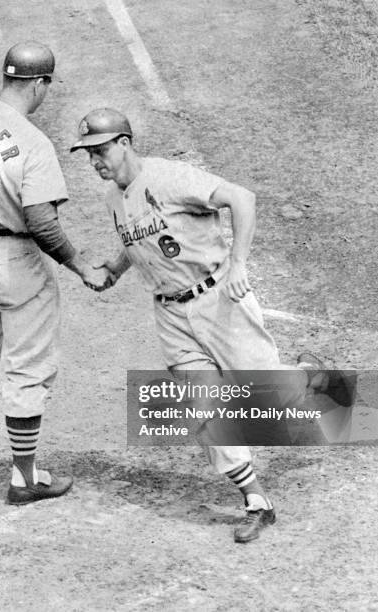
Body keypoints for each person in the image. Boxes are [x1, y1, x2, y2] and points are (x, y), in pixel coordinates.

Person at [70, 108, 356, 542]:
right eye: (88, 153)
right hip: (170, 314)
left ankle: (318, 383)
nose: (94, 161)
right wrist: (114, 267)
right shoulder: (115, 198)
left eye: (100, 150)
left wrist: (239, 262)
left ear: (124, 144)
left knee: (266, 391)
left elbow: (242, 197)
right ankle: (256, 500)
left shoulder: (170, 177)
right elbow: (140, 240)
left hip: (219, 299)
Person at [0, 43, 113, 505]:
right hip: (14, 263)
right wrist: (78, 266)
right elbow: (41, 221)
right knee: (27, 370)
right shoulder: (32, 142)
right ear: (39, 84)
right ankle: (24, 476)